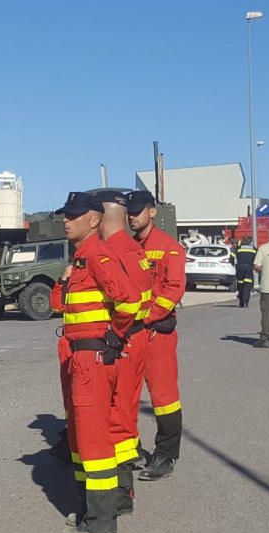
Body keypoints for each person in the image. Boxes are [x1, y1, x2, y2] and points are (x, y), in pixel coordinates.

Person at [49, 191, 139, 533]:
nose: (65, 220)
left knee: (92, 437)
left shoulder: (98, 256)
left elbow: (129, 300)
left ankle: (100, 521)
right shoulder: (81, 258)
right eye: (65, 215)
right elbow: (60, 303)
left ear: (94, 220)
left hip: (91, 356)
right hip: (79, 354)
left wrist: (112, 337)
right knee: (85, 433)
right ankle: (98, 507)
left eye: (73, 215)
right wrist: (65, 276)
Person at [93, 190, 151, 514]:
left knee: (117, 415)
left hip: (124, 340)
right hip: (137, 337)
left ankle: (120, 490)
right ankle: (123, 486)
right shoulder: (133, 248)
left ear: (100, 217)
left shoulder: (112, 251)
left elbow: (126, 301)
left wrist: (113, 333)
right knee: (125, 411)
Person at [126, 190, 186, 482]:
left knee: (164, 397)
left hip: (156, 333)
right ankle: (131, 449)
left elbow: (174, 289)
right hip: (132, 333)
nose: (132, 216)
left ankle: (166, 454)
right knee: (126, 394)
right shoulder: (126, 247)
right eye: (129, 211)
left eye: (138, 210)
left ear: (152, 212)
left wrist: (147, 317)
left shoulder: (169, 248)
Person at [234, 236, 257, 308]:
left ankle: (241, 301)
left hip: (240, 268)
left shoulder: (239, 248)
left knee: (240, 285)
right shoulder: (254, 249)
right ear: (250, 242)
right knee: (247, 286)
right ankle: (245, 302)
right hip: (249, 268)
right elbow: (257, 258)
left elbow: (232, 257)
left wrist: (233, 265)